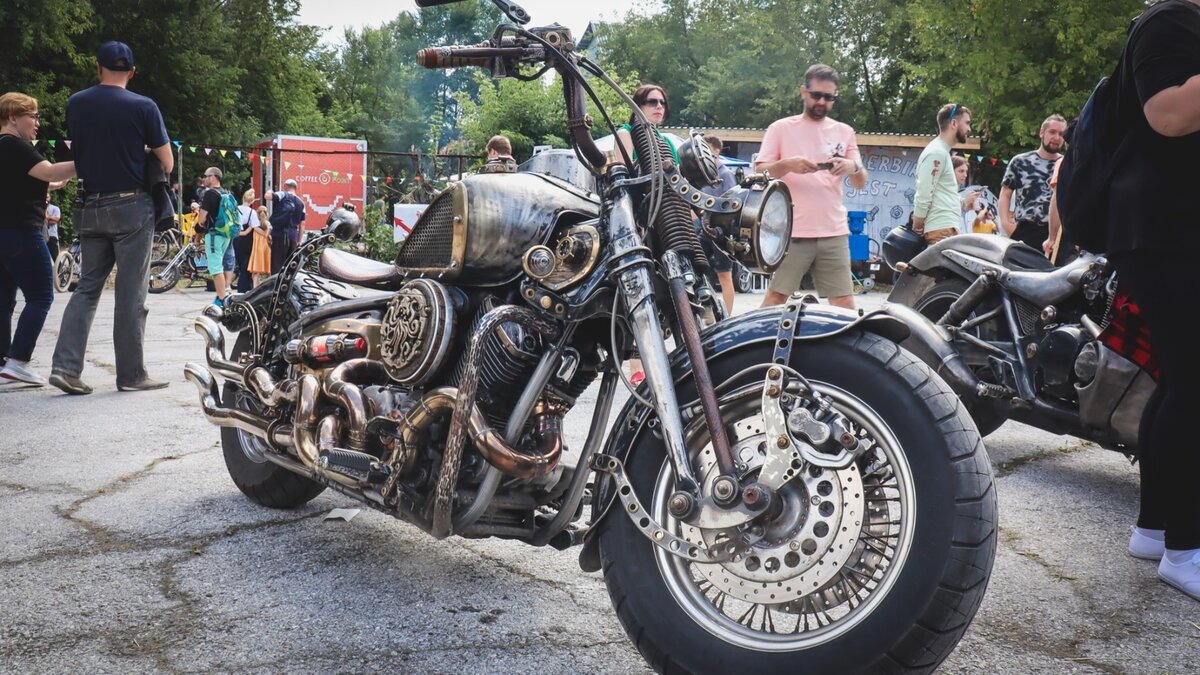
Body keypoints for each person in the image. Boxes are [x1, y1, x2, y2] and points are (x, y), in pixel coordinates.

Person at [1103, 0, 1200, 603]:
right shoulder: (1169, 21)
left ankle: (1154, 529)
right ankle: (1186, 550)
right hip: (1161, 231)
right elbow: (1166, 114)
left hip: (1177, 231)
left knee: (1178, 380)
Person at [50, 42, 173, 395]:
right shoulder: (144, 107)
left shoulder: (77, 103)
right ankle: (131, 375)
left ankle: (65, 367)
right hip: (132, 207)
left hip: (89, 207)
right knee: (130, 293)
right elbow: (167, 164)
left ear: (97, 66)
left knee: (87, 288)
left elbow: (87, 150)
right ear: (132, 72)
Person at [755, 64, 868, 310]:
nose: (822, 102)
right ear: (803, 92)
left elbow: (860, 182)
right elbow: (759, 171)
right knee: (775, 299)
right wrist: (787, 164)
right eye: (817, 95)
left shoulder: (844, 131)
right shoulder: (781, 128)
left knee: (845, 304)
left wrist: (852, 167)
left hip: (834, 231)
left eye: (829, 97)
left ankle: (841, 350)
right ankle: (758, 347)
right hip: (792, 231)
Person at [0, 92, 76, 386]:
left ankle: (4, 361)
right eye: (32, 116)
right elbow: (47, 170)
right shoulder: (17, 146)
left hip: (3, 233)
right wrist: (86, 160)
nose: (37, 122)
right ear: (12, 117)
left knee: (4, 301)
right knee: (41, 296)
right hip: (22, 232)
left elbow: (23, 184)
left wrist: (54, 183)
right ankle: (18, 361)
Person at [614, 84, 679, 386]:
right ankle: (637, 366)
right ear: (637, 104)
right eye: (652, 101)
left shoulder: (666, 141)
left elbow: (678, 184)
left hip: (666, 225)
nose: (659, 107)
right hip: (638, 224)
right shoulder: (626, 133)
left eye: (663, 102)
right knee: (639, 290)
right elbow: (619, 177)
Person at [999, 114, 1066, 250]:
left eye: (1061, 134)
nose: (1056, 138)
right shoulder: (1020, 161)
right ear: (1042, 132)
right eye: (1052, 132)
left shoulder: (1068, 164)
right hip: (1026, 230)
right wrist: (1007, 224)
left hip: (1060, 235)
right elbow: (1005, 194)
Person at [913, 104, 973, 245]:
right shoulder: (937, 152)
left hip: (945, 229)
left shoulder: (941, 152)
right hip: (941, 231)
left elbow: (943, 196)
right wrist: (917, 224)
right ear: (953, 123)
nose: (969, 129)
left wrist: (963, 203)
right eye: (967, 123)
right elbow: (924, 192)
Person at [698, 134, 738, 314]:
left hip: (723, 232)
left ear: (716, 151)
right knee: (697, 269)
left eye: (705, 149)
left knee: (724, 275)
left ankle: (728, 316)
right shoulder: (705, 175)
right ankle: (707, 311)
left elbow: (732, 205)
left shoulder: (726, 174)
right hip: (704, 230)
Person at [194, 167, 235, 305]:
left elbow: (202, 219)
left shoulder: (210, 194)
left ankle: (222, 300)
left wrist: (198, 226)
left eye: (206, 176)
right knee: (220, 266)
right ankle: (222, 295)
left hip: (213, 236)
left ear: (213, 177)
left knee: (215, 268)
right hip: (225, 235)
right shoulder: (226, 192)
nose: (204, 179)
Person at [264, 178, 305, 274]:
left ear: (286, 186)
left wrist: (270, 191)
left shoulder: (282, 194)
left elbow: (267, 196)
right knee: (290, 265)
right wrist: (299, 240)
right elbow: (302, 223)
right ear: (295, 188)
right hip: (293, 237)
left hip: (279, 235)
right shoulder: (301, 203)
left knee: (277, 265)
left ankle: (275, 286)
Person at [232, 188, 258, 293]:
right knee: (246, 265)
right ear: (252, 201)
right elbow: (255, 226)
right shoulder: (252, 212)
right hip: (247, 241)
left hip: (236, 239)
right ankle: (244, 287)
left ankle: (243, 286)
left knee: (239, 261)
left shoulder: (235, 209)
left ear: (243, 198)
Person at [248, 204, 272, 286]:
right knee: (268, 270)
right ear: (267, 214)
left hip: (257, 249)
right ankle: (270, 287)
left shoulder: (254, 224)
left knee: (256, 271)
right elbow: (267, 235)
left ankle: (255, 288)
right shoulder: (268, 224)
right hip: (266, 248)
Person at [44, 193, 61, 261]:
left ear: (50, 198)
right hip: (42, 235)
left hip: (52, 236)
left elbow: (56, 220)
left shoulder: (55, 208)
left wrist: (46, 217)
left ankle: (58, 271)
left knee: (55, 258)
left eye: (47, 197)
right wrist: (50, 218)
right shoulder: (39, 208)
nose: (46, 199)